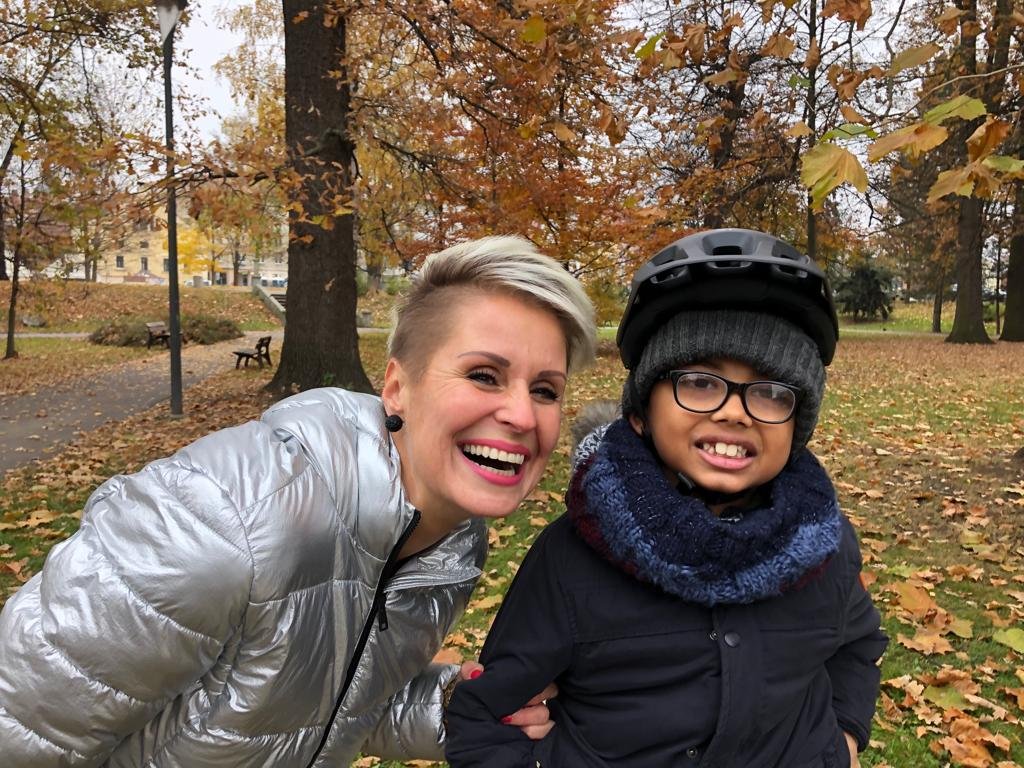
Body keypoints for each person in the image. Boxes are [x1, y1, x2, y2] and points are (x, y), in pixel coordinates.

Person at [0, 235, 596, 767]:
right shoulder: (221, 519)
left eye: (545, 390)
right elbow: (22, 729)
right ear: (397, 388)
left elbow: (323, 702)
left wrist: (455, 708)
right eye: (484, 375)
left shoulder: (454, 545)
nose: (523, 415)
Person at [445, 228, 889, 767]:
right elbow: (484, 720)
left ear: (797, 425)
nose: (735, 412)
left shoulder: (824, 546)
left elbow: (857, 644)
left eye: (772, 392)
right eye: (699, 382)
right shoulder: (571, 560)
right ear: (640, 413)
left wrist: (842, 740)